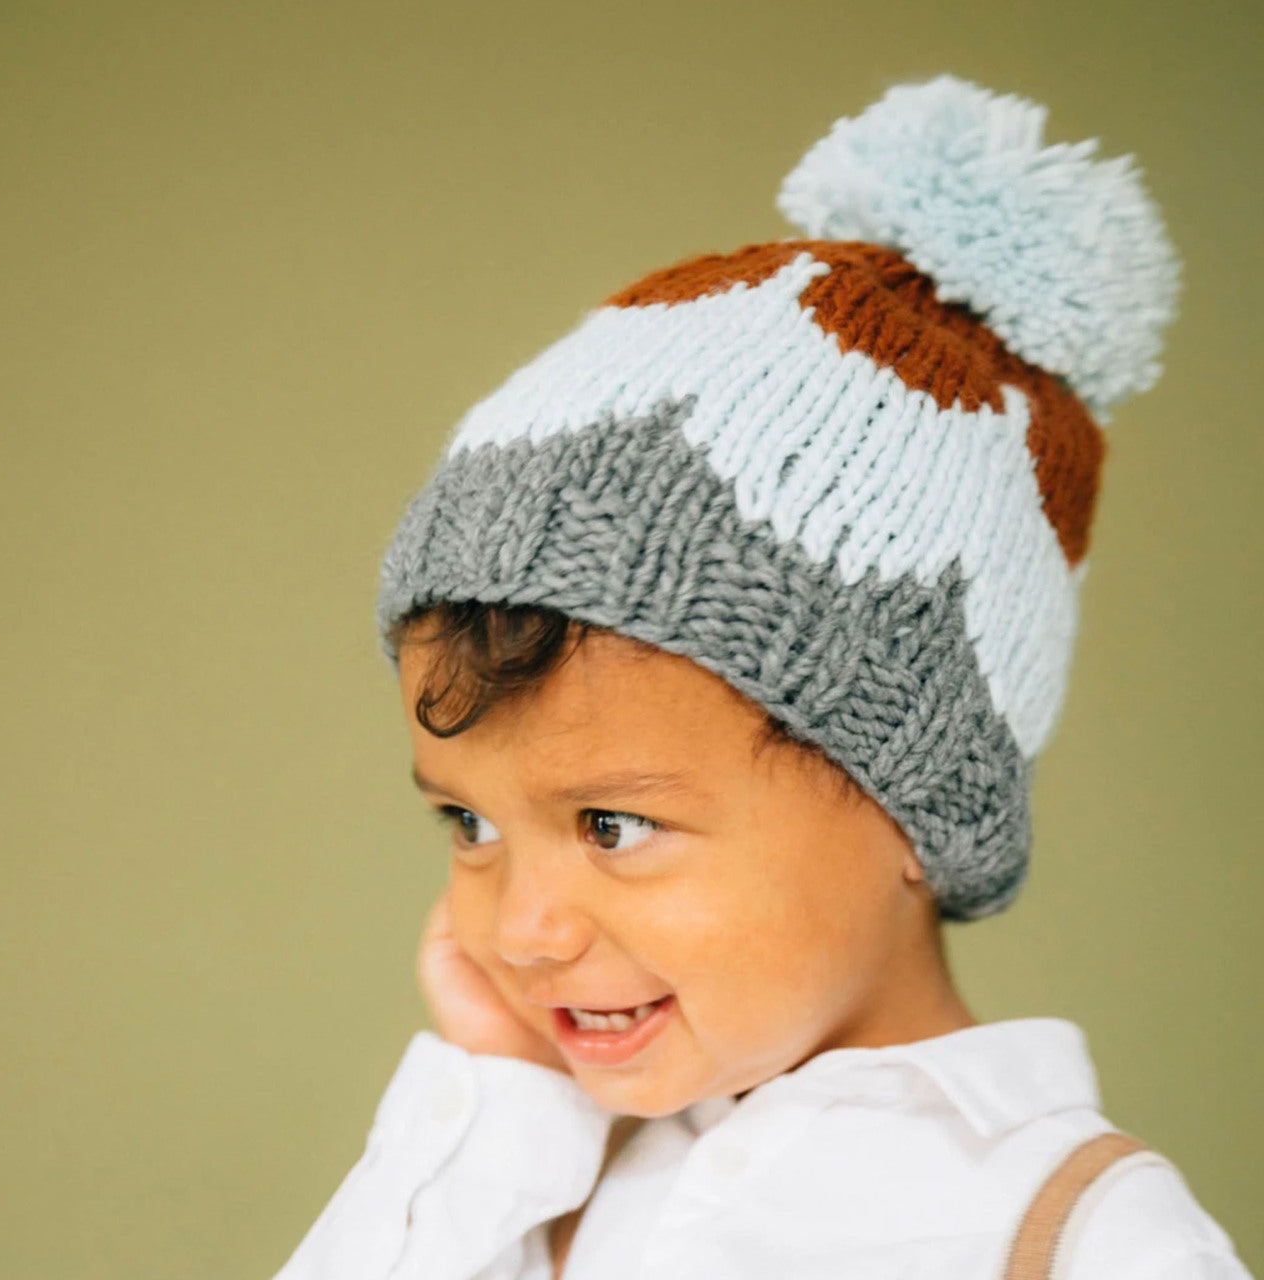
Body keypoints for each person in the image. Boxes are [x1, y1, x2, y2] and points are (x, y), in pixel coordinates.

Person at [272, 75, 1252, 1279]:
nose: (521, 931)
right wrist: (500, 1094)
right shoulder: (530, 1186)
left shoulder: (1074, 1234)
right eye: (467, 819)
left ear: (908, 803)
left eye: (612, 822)